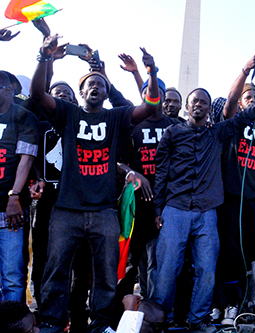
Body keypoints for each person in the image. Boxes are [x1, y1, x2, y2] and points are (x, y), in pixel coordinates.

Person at [30, 34, 161, 333]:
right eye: (90, 84)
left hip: (104, 212)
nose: (96, 87)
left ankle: (100, 325)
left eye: (100, 84)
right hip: (67, 209)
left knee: (104, 274)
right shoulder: (68, 114)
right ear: (81, 91)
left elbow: (151, 105)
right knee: (56, 272)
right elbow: (38, 94)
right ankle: (52, 322)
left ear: (106, 91)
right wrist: (43, 56)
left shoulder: (117, 117)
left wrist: (152, 72)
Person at [153, 67, 255, 332]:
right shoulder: (172, 133)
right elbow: (161, 173)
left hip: (207, 210)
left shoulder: (218, 132)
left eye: (204, 102)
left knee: (206, 268)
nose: (199, 105)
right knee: (168, 267)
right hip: (176, 208)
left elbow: (248, 114)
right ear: (187, 106)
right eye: (195, 101)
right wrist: (158, 208)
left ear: (207, 108)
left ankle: (198, 319)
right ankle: (163, 318)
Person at [216, 53, 255, 326]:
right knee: (230, 251)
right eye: (248, 98)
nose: (253, 101)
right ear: (242, 104)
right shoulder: (231, 125)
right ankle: (230, 303)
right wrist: (246, 70)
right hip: (233, 196)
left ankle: (252, 303)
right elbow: (229, 103)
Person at [123, 77, 179, 299]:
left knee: (157, 259)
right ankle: (124, 311)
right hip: (136, 205)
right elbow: (118, 160)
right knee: (132, 260)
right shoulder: (131, 125)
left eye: (157, 92)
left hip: (165, 204)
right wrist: (134, 174)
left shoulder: (176, 127)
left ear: (163, 98)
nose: (153, 96)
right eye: (147, 91)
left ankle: (153, 309)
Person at [0, 70, 39, 303]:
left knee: (12, 276)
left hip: (9, 210)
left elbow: (26, 158)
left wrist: (14, 197)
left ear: (8, 89)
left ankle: (12, 325)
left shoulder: (23, 117)